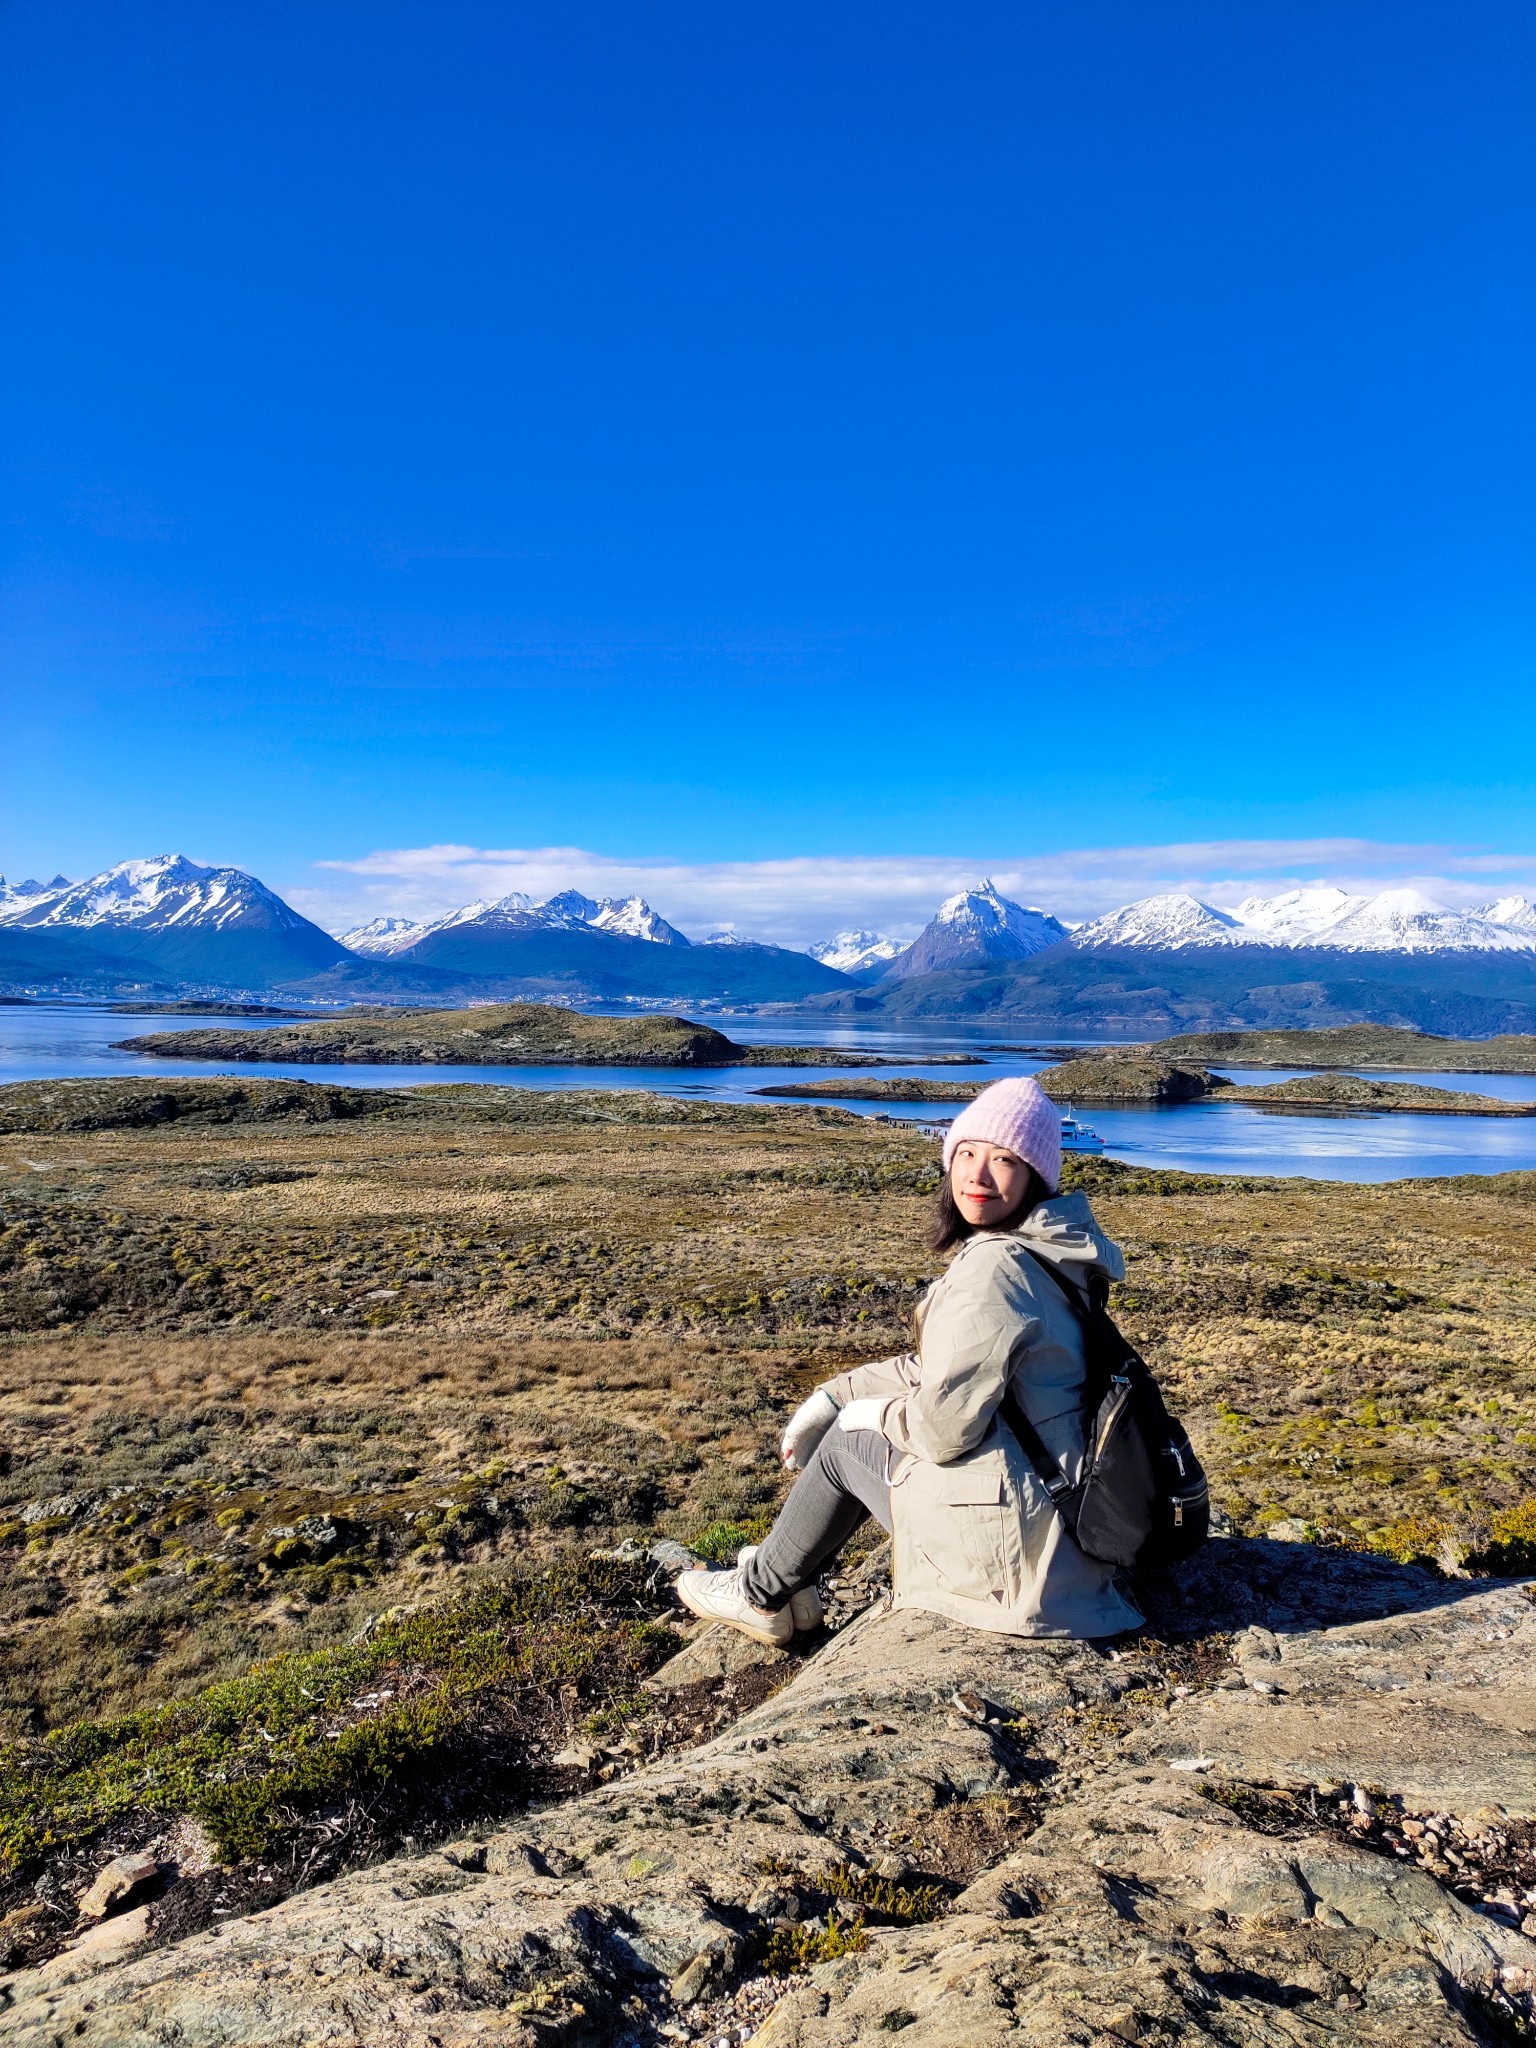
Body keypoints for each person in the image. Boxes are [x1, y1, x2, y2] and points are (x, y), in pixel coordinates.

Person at [675, 1075, 1144, 1644]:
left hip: (1023, 1557)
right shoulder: (1051, 1257)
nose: (977, 1174)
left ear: (1035, 1177)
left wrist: (865, 1417)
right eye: (967, 1152)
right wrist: (836, 1393)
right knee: (850, 1429)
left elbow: (943, 1428)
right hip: (1068, 1518)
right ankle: (785, 1575)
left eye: (1004, 1160)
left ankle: (760, 1594)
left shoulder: (994, 1271)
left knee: (848, 1447)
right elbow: (947, 1371)